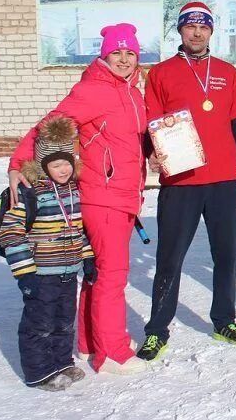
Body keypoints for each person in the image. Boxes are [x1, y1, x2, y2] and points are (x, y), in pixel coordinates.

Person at [8, 23, 149, 374]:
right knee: (113, 275)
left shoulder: (132, 92)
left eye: (129, 52)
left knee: (97, 272)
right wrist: (17, 164)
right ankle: (111, 351)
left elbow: (129, 142)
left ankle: (89, 342)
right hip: (102, 196)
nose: (123, 58)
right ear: (104, 55)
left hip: (124, 194)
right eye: (116, 52)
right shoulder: (94, 90)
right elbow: (48, 126)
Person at [136, 2, 236, 362]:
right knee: (170, 258)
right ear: (180, 30)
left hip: (223, 180)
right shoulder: (160, 73)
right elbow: (151, 123)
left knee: (226, 255)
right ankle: (157, 329)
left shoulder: (227, 72)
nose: (196, 32)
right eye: (190, 26)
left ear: (211, 31)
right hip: (181, 182)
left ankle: (224, 319)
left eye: (203, 26)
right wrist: (151, 152)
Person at [0, 116, 95, 390]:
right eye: (55, 164)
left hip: (67, 270)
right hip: (40, 273)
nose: (63, 169)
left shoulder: (73, 190)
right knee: (38, 324)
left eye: (67, 162)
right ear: (42, 165)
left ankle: (61, 362)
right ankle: (39, 372)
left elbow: (78, 229)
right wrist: (25, 273)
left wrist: (86, 258)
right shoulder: (29, 194)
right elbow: (11, 233)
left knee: (64, 320)